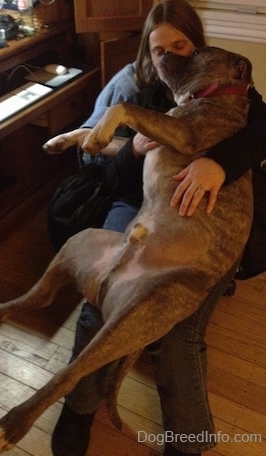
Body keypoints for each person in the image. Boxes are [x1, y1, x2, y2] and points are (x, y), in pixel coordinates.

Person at [50, 1, 266, 455]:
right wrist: (133, 153)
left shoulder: (224, 81)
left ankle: (185, 444)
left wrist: (220, 163)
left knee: (176, 326)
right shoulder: (130, 86)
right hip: (140, 206)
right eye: (158, 49)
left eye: (180, 45)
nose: (169, 57)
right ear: (146, 53)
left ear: (197, 45)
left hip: (209, 215)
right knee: (102, 302)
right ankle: (79, 406)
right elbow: (96, 165)